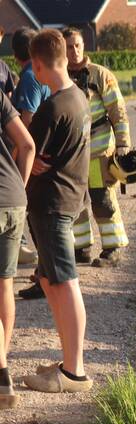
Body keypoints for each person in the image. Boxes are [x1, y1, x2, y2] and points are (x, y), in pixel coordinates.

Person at [21, 29, 92, 394]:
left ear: (36, 64)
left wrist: (29, 161)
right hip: (67, 199)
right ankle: (67, 361)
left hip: (52, 205)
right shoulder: (77, 97)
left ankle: (74, 373)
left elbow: (32, 156)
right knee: (50, 280)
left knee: (65, 283)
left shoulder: (51, 107)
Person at [64, 28, 130, 266]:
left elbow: (118, 112)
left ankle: (113, 248)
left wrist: (123, 145)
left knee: (102, 198)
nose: (74, 51)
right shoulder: (60, 75)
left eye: (77, 45)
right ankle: (82, 248)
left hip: (99, 151)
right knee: (76, 201)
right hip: (74, 154)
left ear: (84, 46)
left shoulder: (100, 75)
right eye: (69, 46)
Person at [0, 89, 37, 407]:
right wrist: (18, 188)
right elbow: (27, 145)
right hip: (13, 199)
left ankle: (1, 372)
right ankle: (2, 362)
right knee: (4, 284)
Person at [12, 27, 50, 299]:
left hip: (32, 157)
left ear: (15, 55)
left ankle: (43, 276)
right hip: (45, 153)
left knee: (37, 219)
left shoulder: (27, 78)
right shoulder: (43, 74)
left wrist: (19, 157)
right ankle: (44, 273)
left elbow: (27, 119)